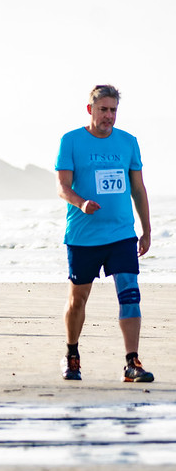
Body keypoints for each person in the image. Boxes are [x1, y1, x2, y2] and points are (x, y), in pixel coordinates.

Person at [55, 84, 153, 383]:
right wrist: (81, 203)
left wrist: (146, 229)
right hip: (84, 235)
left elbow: (137, 188)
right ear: (90, 110)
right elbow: (62, 187)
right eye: (103, 110)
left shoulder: (128, 142)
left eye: (113, 110)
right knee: (78, 299)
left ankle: (131, 361)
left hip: (122, 233)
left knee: (130, 293)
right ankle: (72, 355)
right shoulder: (71, 141)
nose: (109, 116)